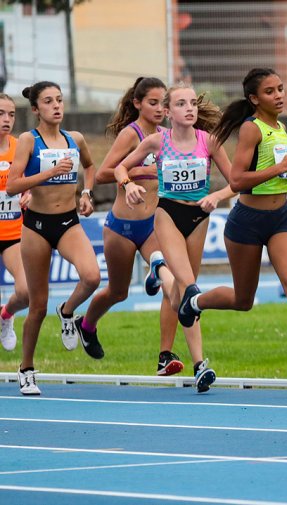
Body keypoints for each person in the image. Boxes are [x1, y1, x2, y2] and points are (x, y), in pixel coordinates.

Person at [177, 68, 287, 392]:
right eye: (270, 92)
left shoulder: (280, 128)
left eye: (281, 89)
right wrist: (279, 168)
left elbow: (276, 170)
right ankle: (195, 303)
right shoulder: (250, 129)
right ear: (255, 99)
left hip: (280, 219)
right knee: (244, 300)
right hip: (247, 221)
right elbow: (238, 180)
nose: (279, 95)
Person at [116, 83, 235, 393]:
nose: (190, 108)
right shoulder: (158, 141)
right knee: (189, 288)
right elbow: (119, 168)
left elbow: (236, 181)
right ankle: (200, 365)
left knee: (183, 295)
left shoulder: (208, 141)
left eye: (193, 103)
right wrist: (128, 184)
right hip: (167, 213)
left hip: (198, 217)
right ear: (168, 112)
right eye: (182, 104)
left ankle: (158, 268)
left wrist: (217, 196)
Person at [82, 77, 187, 375]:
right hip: (122, 227)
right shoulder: (132, 134)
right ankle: (87, 326)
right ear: (137, 103)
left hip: (155, 225)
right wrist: (138, 171)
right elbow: (104, 173)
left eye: (162, 103)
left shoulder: (168, 135)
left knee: (174, 285)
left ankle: (165, 356)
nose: (159, 108)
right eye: (152, 103)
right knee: (118, 292)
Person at [7, 81, 100, 395]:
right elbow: (12, 186)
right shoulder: (27, 140)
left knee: (92, 277)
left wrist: (87, 193)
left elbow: (89, 164)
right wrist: (47, 174)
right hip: (36, 227)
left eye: (59, 100)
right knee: (37, 306)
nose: (56, 106)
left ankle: (68, 311)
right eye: (48, 101)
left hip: (69, 222)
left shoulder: (75, 138)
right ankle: (27, 368)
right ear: (36, 109)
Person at [0, 93, 30, 354]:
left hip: (13, 233)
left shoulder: (20, 146)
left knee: (26, 291)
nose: (6, 119)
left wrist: (30, 192)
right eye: (0, 113)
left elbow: (33, 181)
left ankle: (6, 315)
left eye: (10, 114)